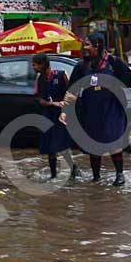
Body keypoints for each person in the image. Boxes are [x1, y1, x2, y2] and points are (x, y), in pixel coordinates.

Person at [66, 32, 131, 186]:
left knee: (114, 141)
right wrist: (65, 110)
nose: (84, 48)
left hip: (112, 108)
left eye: (87, 45)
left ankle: (119, 174)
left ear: (97, 46)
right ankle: (96, 177)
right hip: (90, 109)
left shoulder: (114, 62)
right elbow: (71, 89)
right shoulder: (82, 65)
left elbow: (130, 81)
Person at [32, 52, 78, 180]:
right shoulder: (39, 80)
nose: (33, 67)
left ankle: (73, 169)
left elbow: (70, 92)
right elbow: (40, 99)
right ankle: (53, 176)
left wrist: (64, 104)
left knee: (62, 144)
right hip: (48, 113)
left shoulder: (61, 75)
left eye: (35, 65)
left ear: (43, 64)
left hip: (61, 114)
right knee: (49, 146)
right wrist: (52, 103)